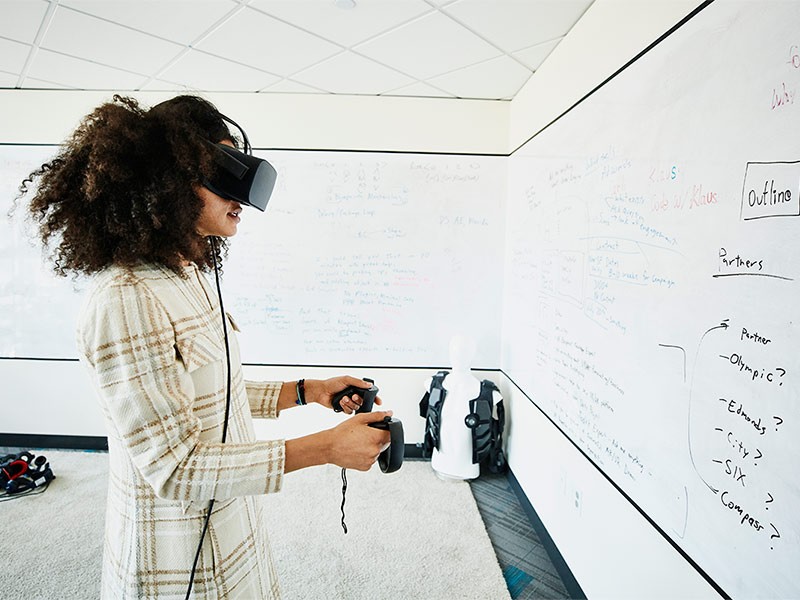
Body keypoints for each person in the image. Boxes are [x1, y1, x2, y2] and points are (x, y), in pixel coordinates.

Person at [16, 94, 391, 599]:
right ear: (168, 184)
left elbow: (209, 390)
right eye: (220, 177)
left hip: (231, 521)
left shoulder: (188, 273)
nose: (241, 198)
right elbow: (175, 468)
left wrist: (309, 390)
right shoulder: (125, 299)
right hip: (179, 560)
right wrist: (325, 448)